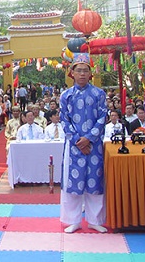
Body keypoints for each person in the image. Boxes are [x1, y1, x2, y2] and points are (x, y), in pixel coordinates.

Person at [59, 53, 107, 234]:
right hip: (73, 146)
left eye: (85, 70)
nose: (82, 74)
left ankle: (95, 220)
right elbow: (64, 120)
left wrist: (89, 138)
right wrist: (78, 140)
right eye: (78, 70)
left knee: (95, 182)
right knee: (73, 184)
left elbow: (103, 118)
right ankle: (74, 220)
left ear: (90, 73)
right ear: (72, 73)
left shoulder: (99, 94)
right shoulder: (66, 96)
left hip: (93, 145)